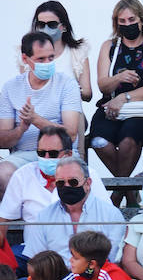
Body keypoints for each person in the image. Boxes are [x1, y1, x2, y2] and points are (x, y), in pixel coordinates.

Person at [0, 127, 113, 264]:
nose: (46, 158)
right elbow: (3, 221)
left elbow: (110, 219)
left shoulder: (88, 174)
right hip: (35, 257)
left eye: (52, 153)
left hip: (80, 257)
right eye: (41, 153)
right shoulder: (23, 175)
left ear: (68, 154)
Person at [89, 0, 143, 189]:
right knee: (99, 141)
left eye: (131, 20)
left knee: (128, 141)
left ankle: (118, 192)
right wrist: (119, 79)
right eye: (122, 21)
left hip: (140, 108)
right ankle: (129, 191)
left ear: (141, 20)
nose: (127, 25)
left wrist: (125, 97)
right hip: (110, 106)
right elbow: (102, 85)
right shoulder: (110, 46)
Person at [0, 32, 83, 200]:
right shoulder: (10, 87)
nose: (47, 63)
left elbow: (71, 133)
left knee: (69, 178)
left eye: (51, 58)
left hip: (61, 154)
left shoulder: (67, 84)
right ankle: (18, 221)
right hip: (23, 155)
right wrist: (21, 129)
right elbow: (3, 140)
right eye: (41, 59)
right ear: (25, 59)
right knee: (2, 175)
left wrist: (35, 119)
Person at [22, 156, 126, 263]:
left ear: (88, 183)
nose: (66, 186)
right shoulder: (44, 216)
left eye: (73, 182)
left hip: (96, 277)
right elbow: (36, 260)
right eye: (61, 183)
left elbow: (112, 259)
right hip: (54, 278)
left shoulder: (111, 215)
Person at [24, 1, 92, 103]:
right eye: (41, 24)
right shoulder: (27, 53)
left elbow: (87, 94)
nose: (46, 29)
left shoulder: (78, 53)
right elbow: (24, 90)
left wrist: (68, 88)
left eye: (52, 24)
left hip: (70, 112)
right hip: (37, 112)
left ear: (64, 26)